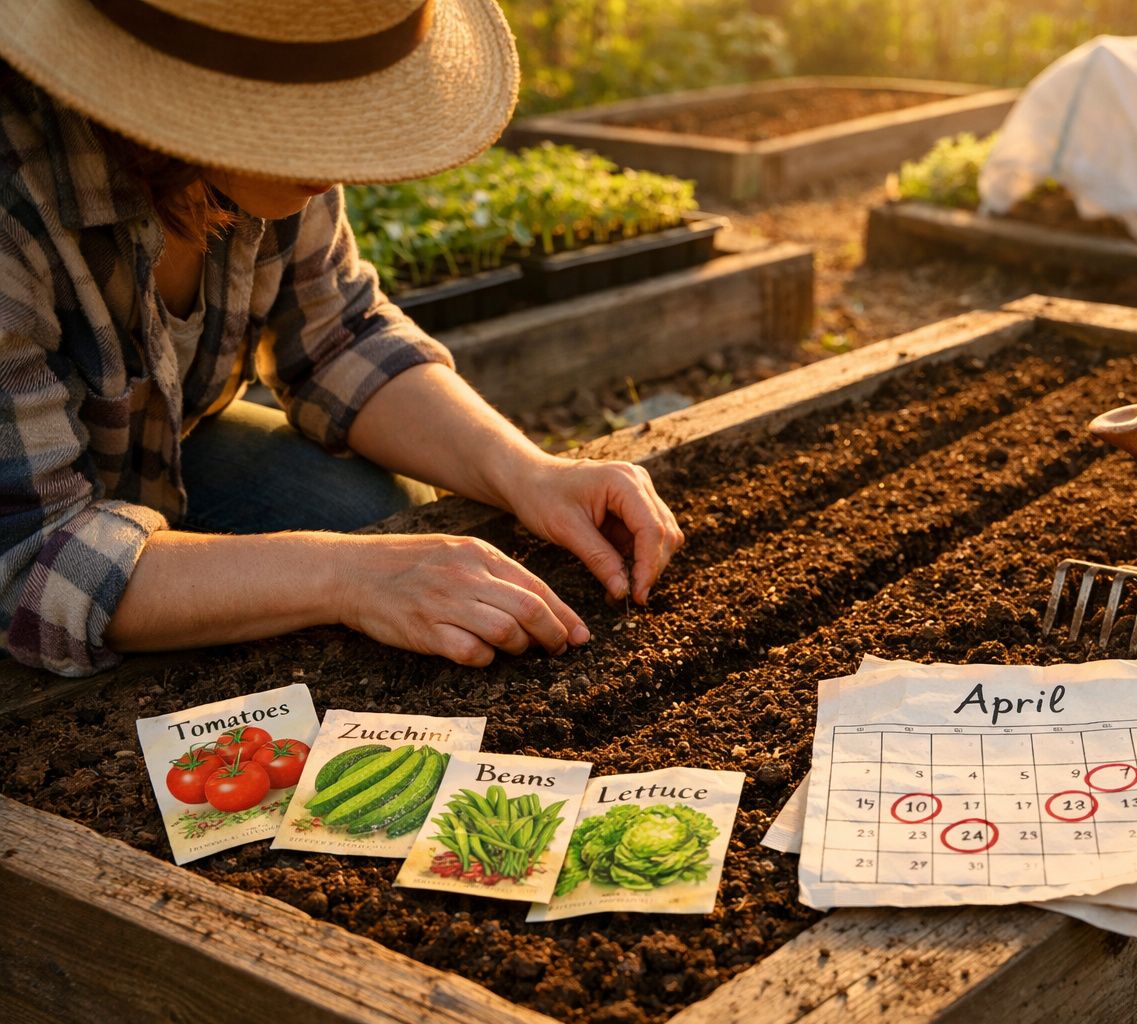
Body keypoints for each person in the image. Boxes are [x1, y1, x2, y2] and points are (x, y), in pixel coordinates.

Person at [0, 0, 684, 677]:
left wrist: (530, 473)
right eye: (313, 110)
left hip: (158, 450)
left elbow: (340, 337)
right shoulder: (13, 209)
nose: (345, 154)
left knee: (371, 515)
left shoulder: (261, 158)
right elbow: (29, 563)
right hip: (24, 527)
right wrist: (348, 578)